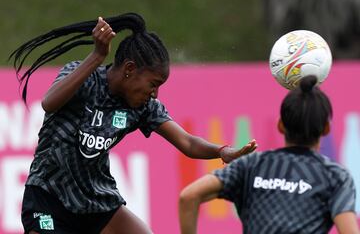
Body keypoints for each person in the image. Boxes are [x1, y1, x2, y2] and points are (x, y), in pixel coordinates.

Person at [9, 13, 257, 234]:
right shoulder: (83, 77)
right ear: (129, 69)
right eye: (153, 84)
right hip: (49, 200)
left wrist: (222, 151)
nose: (155, 94)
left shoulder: (142, 107)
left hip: (97, 202)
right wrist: (96, 55)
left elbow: (188, 142)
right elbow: (49, 103)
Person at [178, 75, 359, 234]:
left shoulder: (251, 164)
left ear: (280, 125)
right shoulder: (335, 176)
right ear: (326, 128)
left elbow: (189, 196)